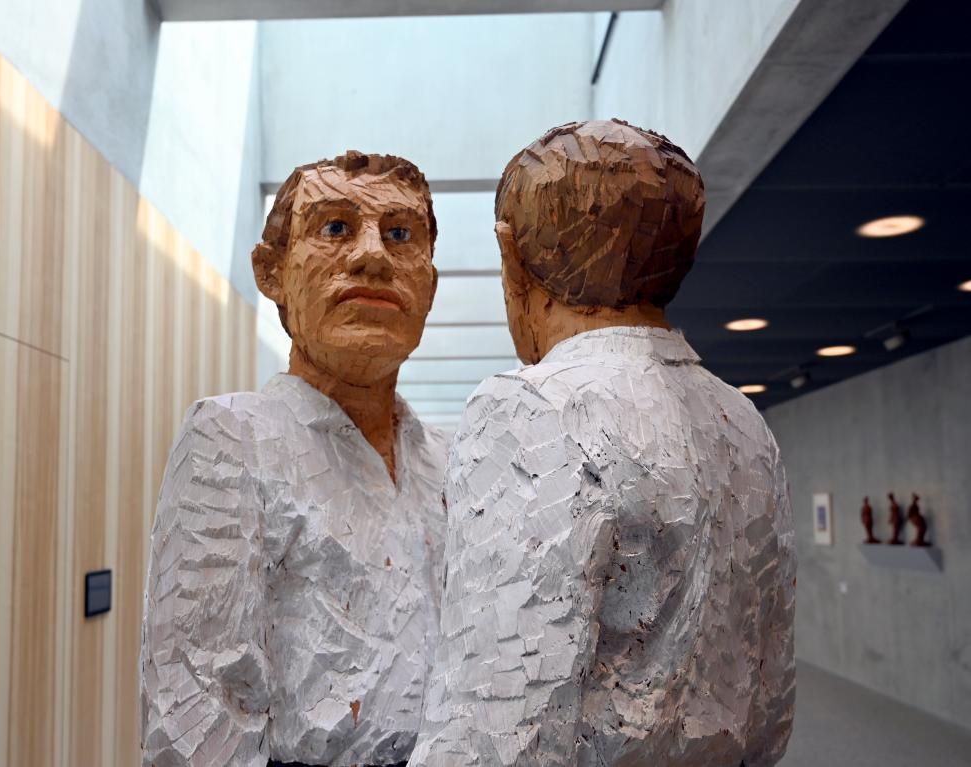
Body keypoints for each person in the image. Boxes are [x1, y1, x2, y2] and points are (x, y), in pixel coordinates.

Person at [410, 120, 796, 767]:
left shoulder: (530, 409)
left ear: (512, 255)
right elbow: (772, 701)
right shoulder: (743, 421)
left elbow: (493, 728)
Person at [141, 151, 447, 767]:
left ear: (430, 284)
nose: (373, 256)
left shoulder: (449, 460)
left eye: (400, 234)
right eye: (335, 228)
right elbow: (196, 700)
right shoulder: (233, 438)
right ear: (272, 272)